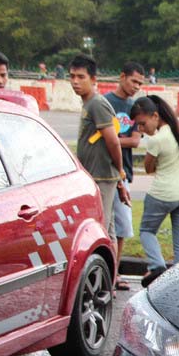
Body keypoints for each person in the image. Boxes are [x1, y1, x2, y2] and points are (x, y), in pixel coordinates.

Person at [129, 96, 179, 287]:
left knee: (146, 231)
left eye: (143, 124)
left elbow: (149, 169)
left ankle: (157, 266)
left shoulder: (156, 140)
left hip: (162, 194)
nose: (142, 129)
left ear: (155, 115)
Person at [70, 54, 127, 253]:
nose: (75, 82)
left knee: (100, 229)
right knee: (106, 229)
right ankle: (110, 278)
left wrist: (120, 173)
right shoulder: (88, 103)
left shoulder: (97, 104)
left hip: (102, 176)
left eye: (81, 77)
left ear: (93, 79)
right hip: (93, 176)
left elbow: (113, 141)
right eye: (72, 76)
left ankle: (107, 277)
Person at [104, 62, 146, 290]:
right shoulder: (106, 102)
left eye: (140, 83)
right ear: (122, 77)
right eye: (133, 81)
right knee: (103, 225)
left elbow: (135, 141)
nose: (136, 87)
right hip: (103, 173)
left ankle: (115, 274)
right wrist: (117, 141)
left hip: (124, 174)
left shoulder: (134, 106)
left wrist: (110, 140)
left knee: (121, 227)